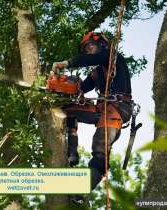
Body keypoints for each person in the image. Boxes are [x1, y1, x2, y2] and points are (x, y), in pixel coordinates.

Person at [52, 32, 132, 204]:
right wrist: (64, 84)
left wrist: (67, 63)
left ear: (102, 45)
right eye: (86, 49)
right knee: (69, 110)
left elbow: (89, 60)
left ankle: (81, 190)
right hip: (102, 108)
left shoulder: (112, 57)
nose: (88, 52)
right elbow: (81, 88)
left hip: (118, 109)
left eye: (90, 47)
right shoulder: (97, 73)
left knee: (100, 150)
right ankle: (72, 153)